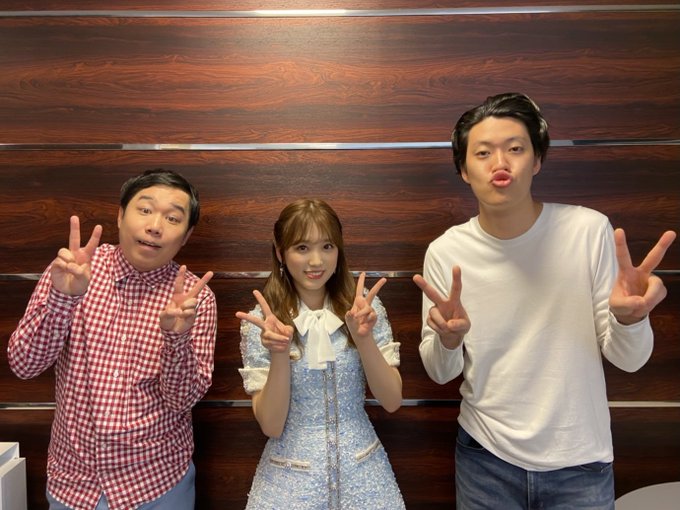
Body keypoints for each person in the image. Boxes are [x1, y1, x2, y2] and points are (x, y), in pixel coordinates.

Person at [413, 93, 676, 509]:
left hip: (580, 461)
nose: (500, 162)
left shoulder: (587, 231)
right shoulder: (447, 251)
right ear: (463, 170)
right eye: (483, 153)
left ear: (537, 160)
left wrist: (630, 320)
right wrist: (448, 340)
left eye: (516, 149)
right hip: (486, 458)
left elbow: (630, 361)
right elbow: (440, 372)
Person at [8, 168, 217, 510]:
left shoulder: (197, 299)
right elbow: (24, 365)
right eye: (145, 209)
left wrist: (176, 340)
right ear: (120, 215)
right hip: (75, 485)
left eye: (172, 218)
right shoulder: (75, 269)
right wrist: (63, 300)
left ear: (186, 235)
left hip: (157, 484)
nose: (155, 226)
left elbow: (181, 401)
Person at [236, 198, 405, 509]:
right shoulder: (262, 323)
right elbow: (271, 425)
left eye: (327, 246)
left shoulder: (365, 309)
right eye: (302, 247)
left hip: (365, 479)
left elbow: (392, 400)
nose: (316, 261)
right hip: (288, 486)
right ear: (280, 253)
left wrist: (363, 338)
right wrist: (279, 353)